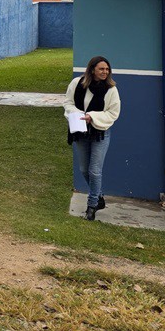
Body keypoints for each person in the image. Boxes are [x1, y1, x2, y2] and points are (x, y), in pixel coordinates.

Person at [63, 56, 121, 221]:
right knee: (83, 169)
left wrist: (92, 117)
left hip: (100, 133)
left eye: (107, 69)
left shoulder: (111, 89)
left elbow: (113, 113)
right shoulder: (77, 84)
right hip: (81, 131)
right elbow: (68, 102)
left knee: (95, 170)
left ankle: (92, 205)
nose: (105, 72)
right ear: (92, 69)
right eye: (101, 69)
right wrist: (78, 114)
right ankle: (99, 196)